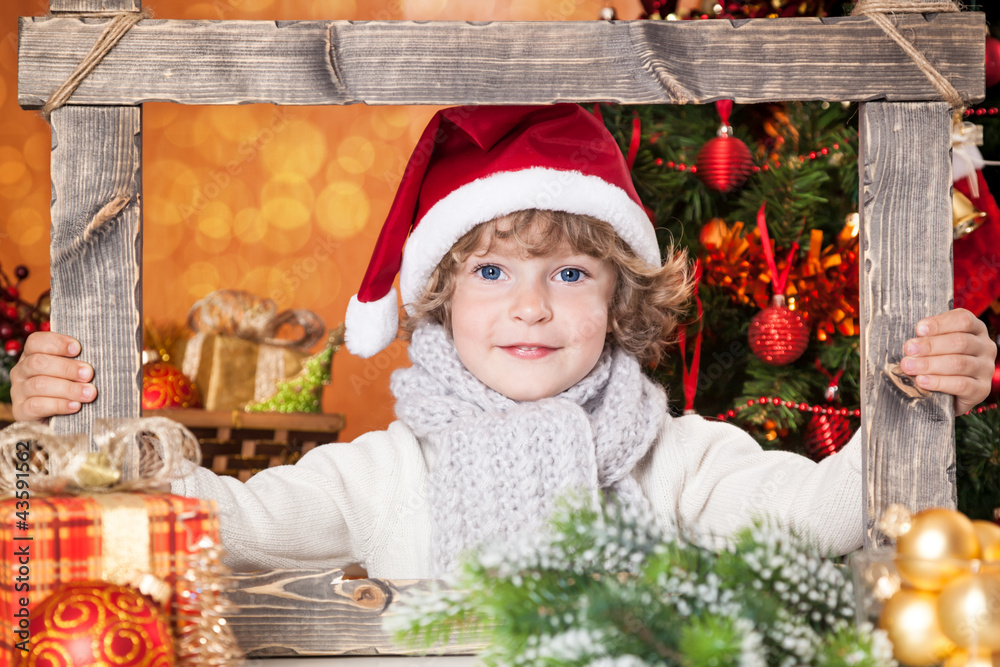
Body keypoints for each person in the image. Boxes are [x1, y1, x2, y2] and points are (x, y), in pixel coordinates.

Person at [9, 105, 998, 578]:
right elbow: (219, 526)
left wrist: (922, 395)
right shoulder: (383, 474)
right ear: (438, 298)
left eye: (570, 272)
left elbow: (824, 511)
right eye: (491, 271)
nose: (530, 307)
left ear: (619, 300)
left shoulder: (681, 458)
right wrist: (59, 441)